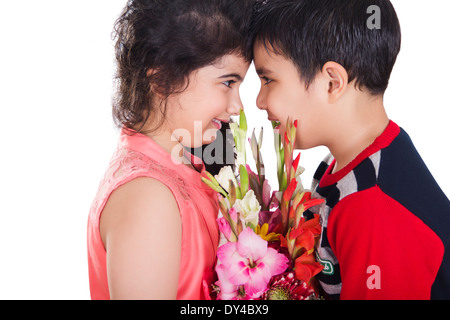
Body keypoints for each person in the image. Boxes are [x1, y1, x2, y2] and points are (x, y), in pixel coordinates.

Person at [248, 0, 450, 299]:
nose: (259, 101)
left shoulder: (371, 207)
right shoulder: (343, 166)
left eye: (268, 79)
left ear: (332, 83)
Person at [87, 0, 254, 300]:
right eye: (227, 83)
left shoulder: (188, 163)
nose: (237, 106)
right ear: (163, 81)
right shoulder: (147, 196)